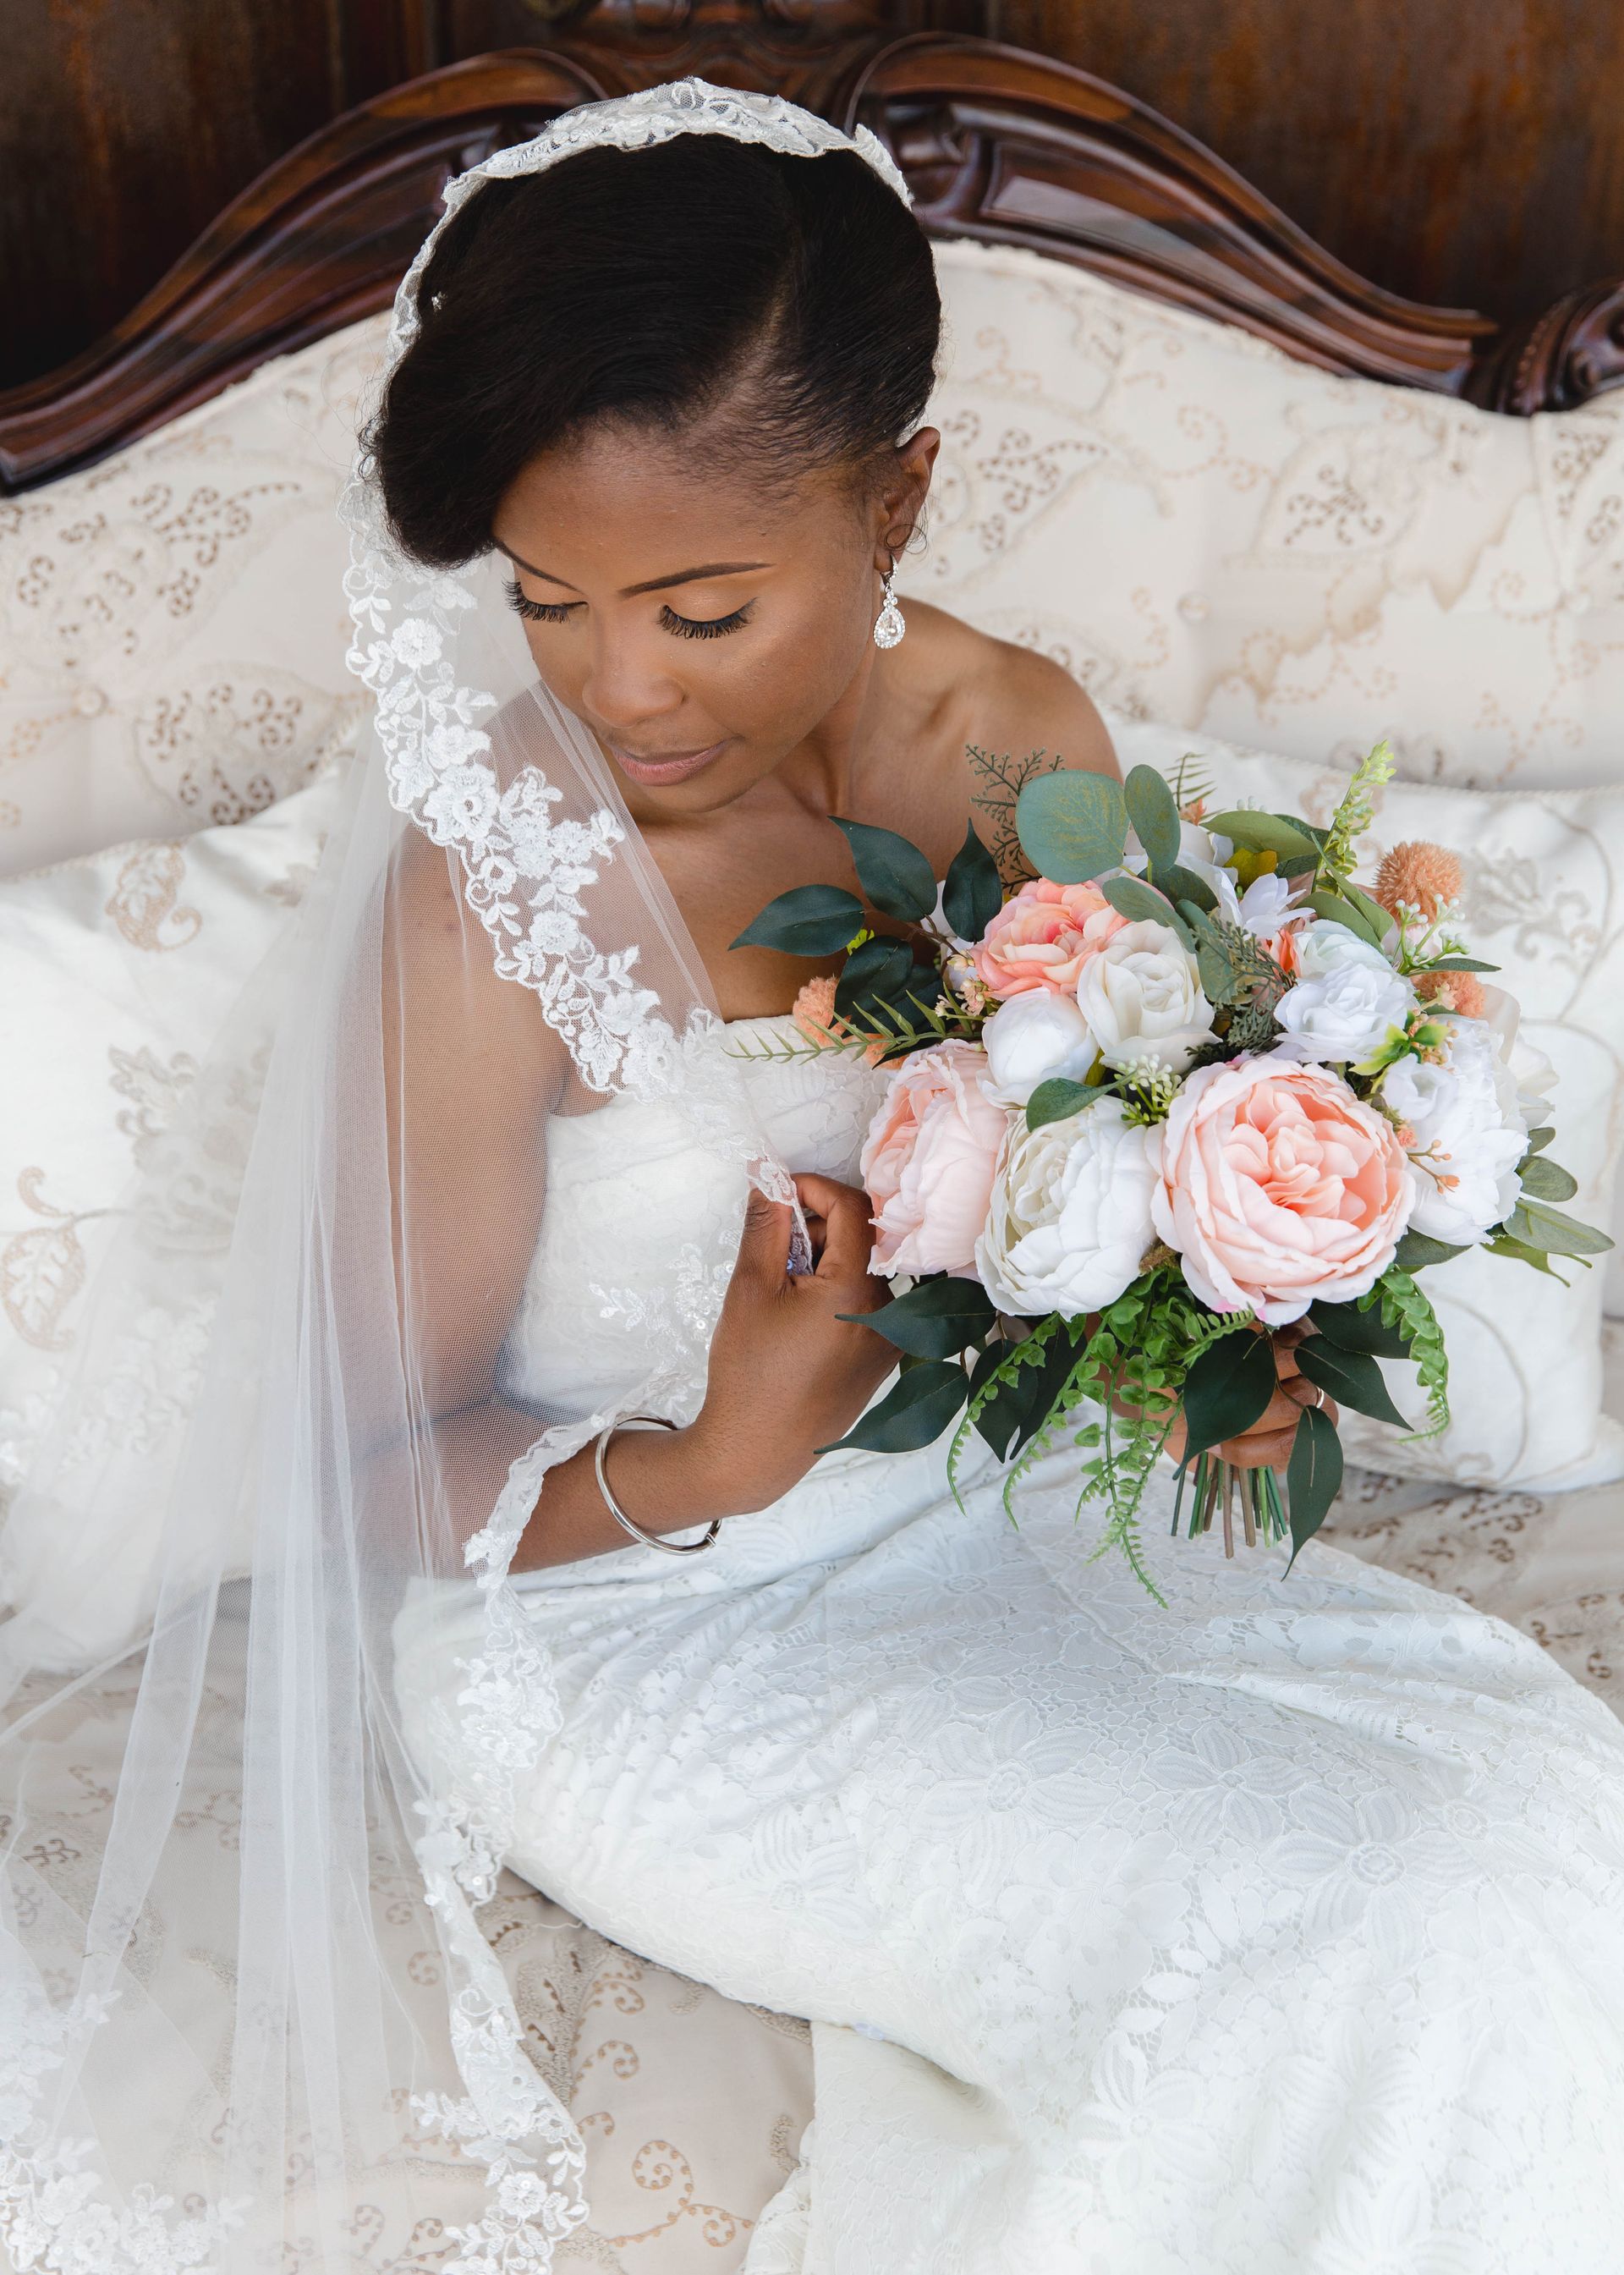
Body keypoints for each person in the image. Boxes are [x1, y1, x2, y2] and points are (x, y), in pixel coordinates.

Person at [3, 81, 1623, 2275]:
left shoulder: (1022, 741)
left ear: (902, 501)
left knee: (1539, 1840)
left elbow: (1129, 1157)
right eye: (554, 600)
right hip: (640, 1620)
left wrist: (1216, 1331)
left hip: (1030, 1523)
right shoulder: (500, 879)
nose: (619, 688)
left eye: (700, 606)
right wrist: (713, 1448)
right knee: (1323, 1941)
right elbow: (358, 1459)